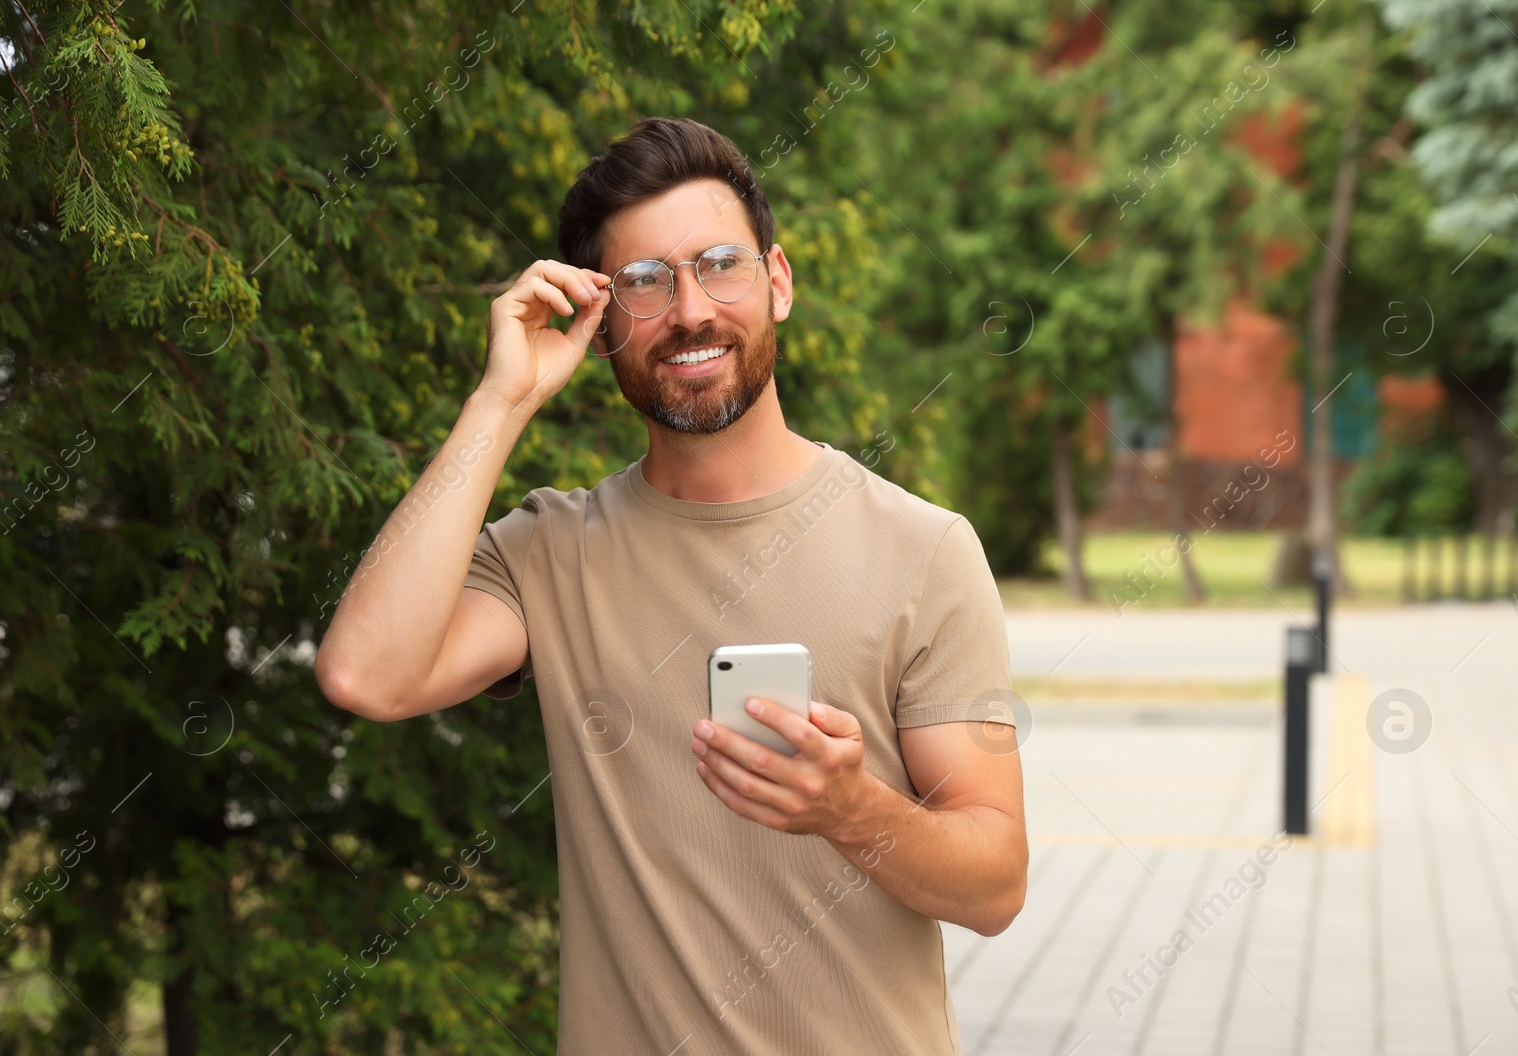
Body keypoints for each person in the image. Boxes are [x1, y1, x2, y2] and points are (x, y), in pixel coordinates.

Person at [315, 116, 1026, 1054]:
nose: (690, 310)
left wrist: (853, 810)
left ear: (777, 283)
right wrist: (502, 401)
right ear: (601, 324)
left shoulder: (925, 548)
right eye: (645, 284)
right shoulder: (549, 554)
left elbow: (995, 886)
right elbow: (367, 674)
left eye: (720, 263)